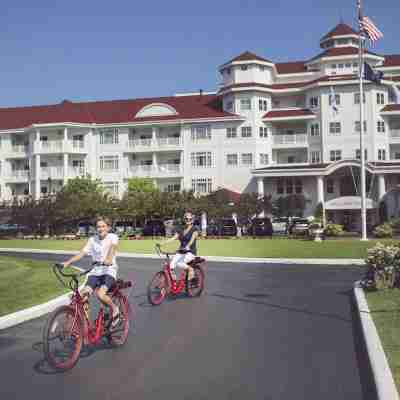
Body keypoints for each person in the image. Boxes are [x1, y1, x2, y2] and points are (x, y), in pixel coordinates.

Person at [62, 216, 120, 327]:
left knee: (100, 294)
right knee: (83, 294)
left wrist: (108, 259)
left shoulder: (113, 237)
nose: (100, 229)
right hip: (95, 272)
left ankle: (115, 309)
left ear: (108, 228)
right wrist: (68, 262)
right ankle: (86, 325)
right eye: (98, 226)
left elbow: (112, 248)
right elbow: (82, 253)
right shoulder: (92, 240)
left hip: (108, 271)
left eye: (103, 226)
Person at [158, 211, 199, 281]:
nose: (188, 220)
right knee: (171, 265)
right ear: (184, 219)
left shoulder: (194, 229)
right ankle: (173, 282)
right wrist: (162, 243)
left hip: (190, 252)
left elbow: (191, 241)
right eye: (186, 219)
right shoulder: (181, 229)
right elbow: (173, 238)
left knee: (179, 263)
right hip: (181, 251)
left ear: (192, 220)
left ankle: (190, 269)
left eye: (190, 219)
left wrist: (187, 246)